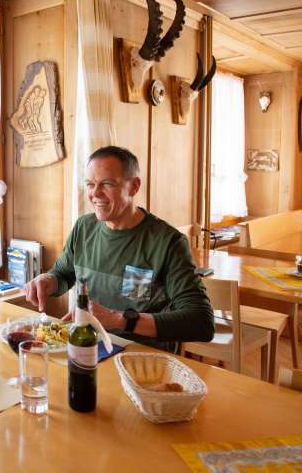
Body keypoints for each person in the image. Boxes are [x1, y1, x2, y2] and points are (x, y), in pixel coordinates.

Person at [23, 146, 214, 350]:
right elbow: (63, 274)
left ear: (134, 186)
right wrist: (47, 281)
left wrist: (118, 319)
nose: (95, 193)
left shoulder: (168, 242)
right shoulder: (83, 228)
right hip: (88, 348)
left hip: (142, 358)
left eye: (107, 184)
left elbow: (201, 321)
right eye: (90, 184)